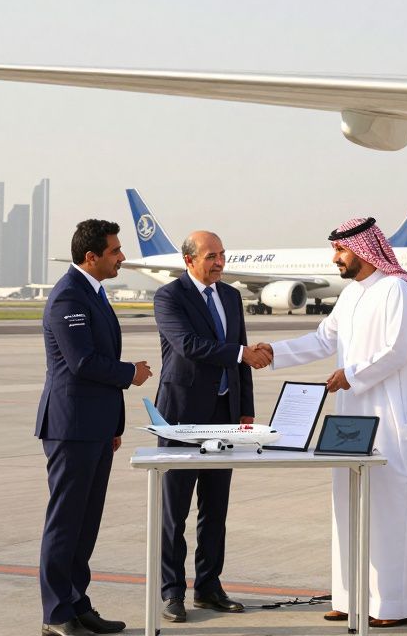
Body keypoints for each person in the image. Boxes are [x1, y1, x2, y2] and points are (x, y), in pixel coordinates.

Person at [262, 216, 407, 628]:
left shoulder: (396, 290)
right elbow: (323, 339)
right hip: (350, 413)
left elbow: (398, 350)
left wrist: (350, 375)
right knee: (348, 501)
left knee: (391, 505)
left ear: (363, 250)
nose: (335, 259)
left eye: (340, 251)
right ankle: (348, 596)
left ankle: (394, 604)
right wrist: (273, 352)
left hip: (391, 415)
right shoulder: (352, 295)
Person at [36, 219, 153, 636]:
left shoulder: (94, 294)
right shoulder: (69, 297)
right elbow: (82, 362)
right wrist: (131, 373)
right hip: (71, 428)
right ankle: (55, 612)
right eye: (115, 251)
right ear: (92, 257)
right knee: (65, 522)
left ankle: (77, 604)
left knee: (85, 524)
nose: (122, 257)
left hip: (96, 428)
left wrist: (113, 426)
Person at [152, 231, 270, 622]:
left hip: (225, 415)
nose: (219, 263)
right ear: (189, 260)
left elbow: (243, 356)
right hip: (182, 414)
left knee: (215, 507)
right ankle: (172, 592)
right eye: (210, 256)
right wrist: (241, 353)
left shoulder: (232, 296)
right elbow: (188, 345)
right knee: (175, 510)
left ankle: (208, 586)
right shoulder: (170, 297)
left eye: (222, 255)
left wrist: (246, 408)